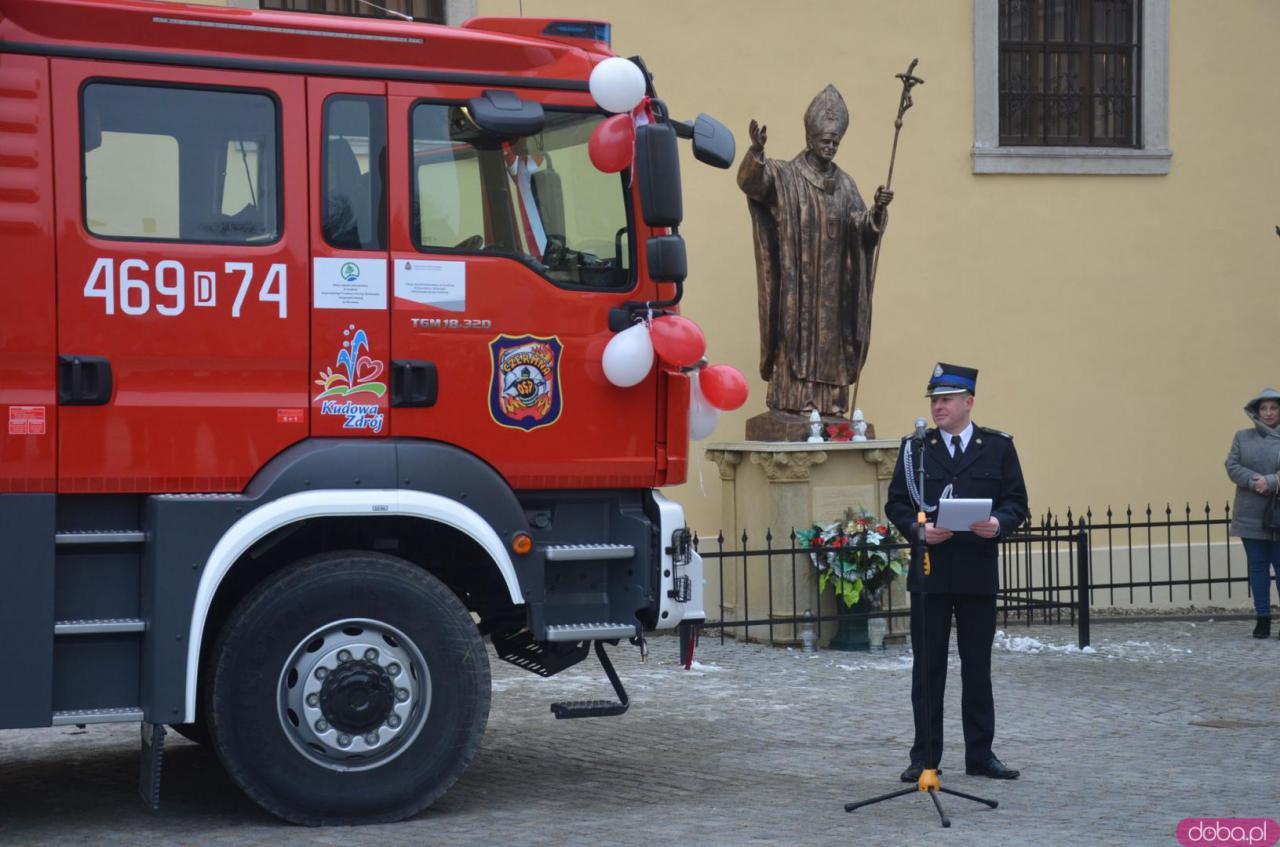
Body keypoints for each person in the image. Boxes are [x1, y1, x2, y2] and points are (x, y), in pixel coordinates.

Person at [885, 363, 1029, 783]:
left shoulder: (997, 447)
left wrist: (999, 523)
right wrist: (918, 530)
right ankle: (925, 757)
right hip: (930, 572)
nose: (937, 406)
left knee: (976, 668)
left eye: (946, 399)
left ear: (969, 402)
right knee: (927, 669)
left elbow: (1017, 502)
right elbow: (896, 503)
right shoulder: (916, 449)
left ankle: (980, 755)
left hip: (976, 573)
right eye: (934, 399)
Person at [737, 85, 891, 417]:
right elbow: (754, 184)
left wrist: (876, 213)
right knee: (795, 337)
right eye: (825, 141)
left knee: (833, 344)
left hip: (834, 291)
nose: (831, 146)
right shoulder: (787, 175)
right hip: (798, 282)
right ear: (810, 138)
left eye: (836, 142)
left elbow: (861, 227)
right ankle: (793, 402)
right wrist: (756, 153)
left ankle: (830, 407)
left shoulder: (846, 184)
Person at [1224, 388, 1280, 638]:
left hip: (1278, 514)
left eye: (1273, 408)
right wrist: (1253, 480)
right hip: (1250, 513)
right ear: (1256, 412)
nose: (1268, 413)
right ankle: (1263, 618)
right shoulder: (1242, 437)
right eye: (1264, 408)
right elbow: (1232, 465)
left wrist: (1271, 481)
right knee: (1257, 568)